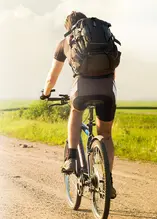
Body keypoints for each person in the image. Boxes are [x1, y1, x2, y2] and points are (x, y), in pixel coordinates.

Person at [40, 11, 120, 199]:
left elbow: (52, 77)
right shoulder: (101, 40)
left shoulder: (65, 43)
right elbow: (112, 70)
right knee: (106, 135)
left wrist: (45, 93)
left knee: (75, 112)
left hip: (81, 91)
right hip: (108, 91)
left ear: (69, 28)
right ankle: (107, 181)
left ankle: (71, 158)